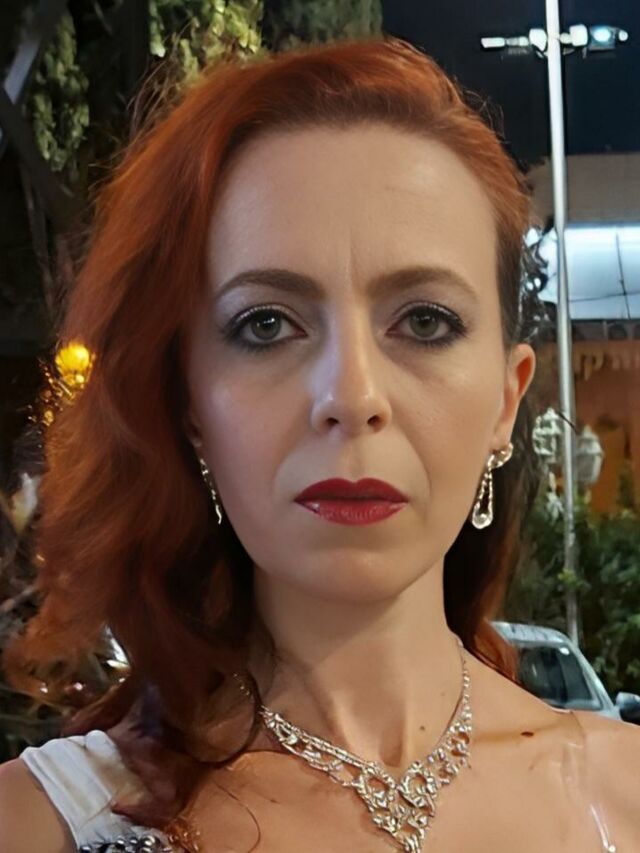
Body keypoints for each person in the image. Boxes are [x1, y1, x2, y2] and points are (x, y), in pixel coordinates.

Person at [0, 35, 638, 853]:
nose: (352, 396)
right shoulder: (42, 825)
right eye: (268, 324)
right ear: (190, 403)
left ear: (505, 401)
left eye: (424, 321)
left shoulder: (623, 796)